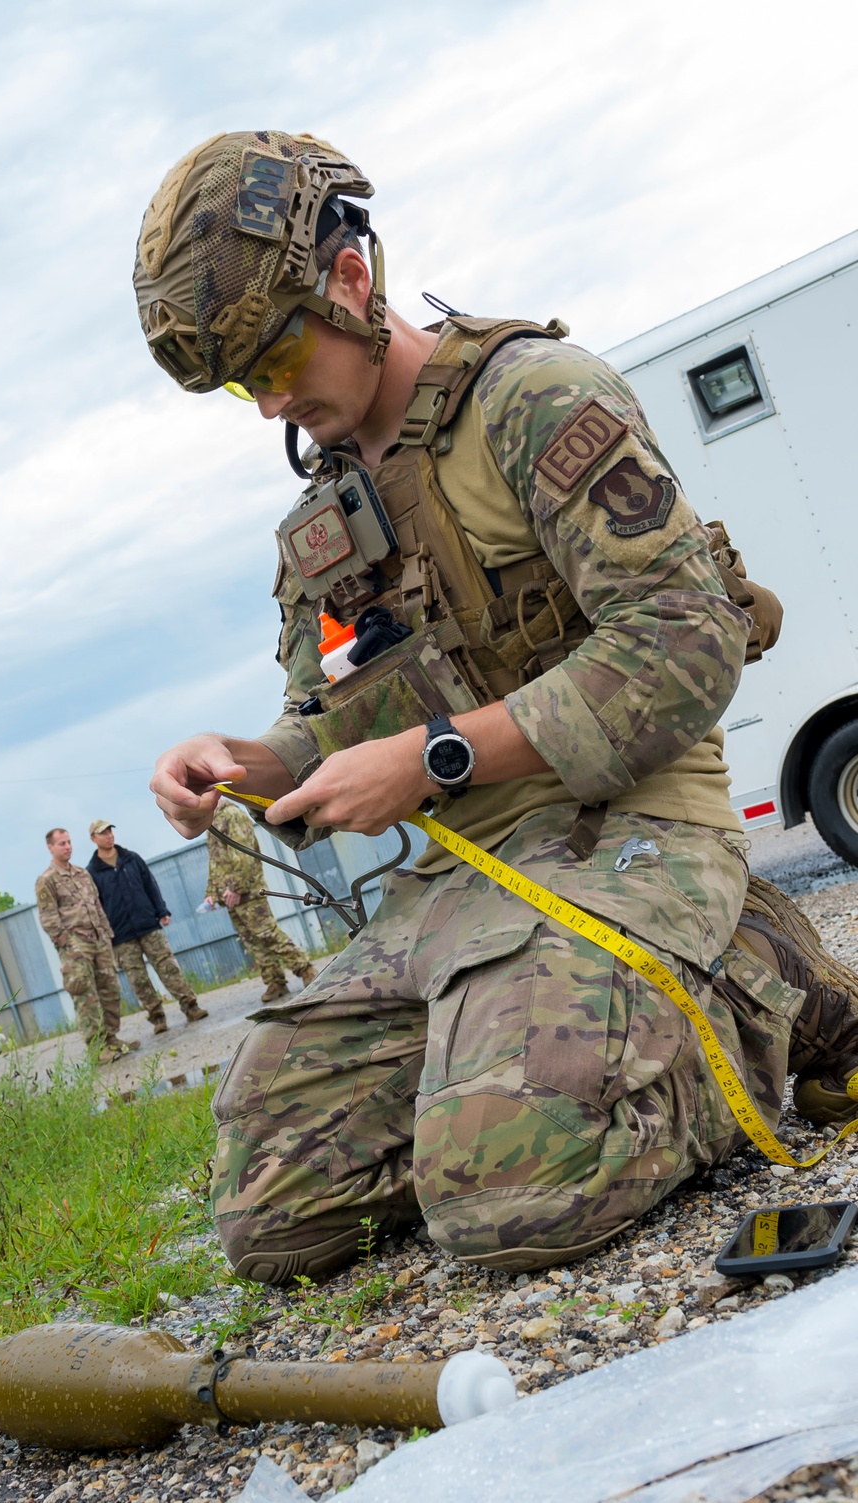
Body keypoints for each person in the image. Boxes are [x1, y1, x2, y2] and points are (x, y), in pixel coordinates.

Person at [132, 130, 858, 1286]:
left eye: (272, 356)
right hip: (457, 892)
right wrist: (248, 761)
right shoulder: (326, 513)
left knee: (506, 1200)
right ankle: (525, 1050)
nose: (266, 398)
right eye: (237, 381)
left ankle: (760, 983)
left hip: (626, 833)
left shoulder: (531, 400)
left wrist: (437, 760)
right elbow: (328, 714)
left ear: (349, 280)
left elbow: (682, 643)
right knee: (271, 1218)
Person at [87, 819, 208, 1032]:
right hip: (120, 934)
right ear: (93, 839)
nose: (109, 835)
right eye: (103, 833)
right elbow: (95, 906)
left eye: (110, 831)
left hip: (148, 925)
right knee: (138, 980)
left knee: (168, 967)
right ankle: (157, 1018)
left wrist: (161, 910)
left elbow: (150, 885)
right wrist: (105, 934)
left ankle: (191, 1006)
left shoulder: (131, 859)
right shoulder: (92, 872)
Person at [35, 828, 141, 1063]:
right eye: (62, 843)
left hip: (98, 941)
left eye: (69, 842)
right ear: (50, 848)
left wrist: (106, 936)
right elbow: (49, 918)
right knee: (86, 996)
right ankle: (96, 1048)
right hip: (76, 947)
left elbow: (96, 905)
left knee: (110, 991)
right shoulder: (46, 881)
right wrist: (67, 944)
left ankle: (111, 1039)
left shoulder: (82, 873)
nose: (68, 846)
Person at [202, 799, 317, 1003]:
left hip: (246, 892)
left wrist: (236, 887)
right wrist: (211, 892)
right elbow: (215, 862)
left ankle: (306, 970)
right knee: (253, 942)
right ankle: (275, 981)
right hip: (229, 896)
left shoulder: (231, 815)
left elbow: (243, 854)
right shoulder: (212, 822)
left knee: (267, 934)